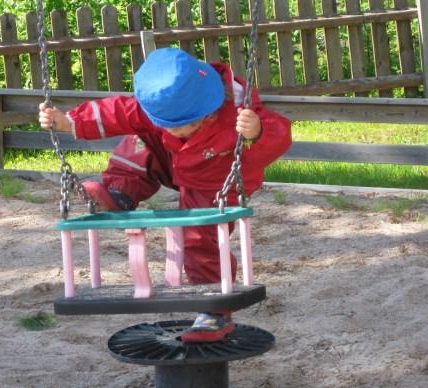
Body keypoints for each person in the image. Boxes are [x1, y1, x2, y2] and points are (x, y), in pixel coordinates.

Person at [39, 48, 291, 342]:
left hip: (216, 183)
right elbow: (118, 111)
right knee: (140, 141)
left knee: (200, 238)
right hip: (176, 162)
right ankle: (118, 193)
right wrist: (70, 122)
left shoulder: (238, 112)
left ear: (205, 116)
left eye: (176, 127)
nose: (168, 129)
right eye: (163, 123)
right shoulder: (165, 107)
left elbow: (280, 135)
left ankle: (213, 310)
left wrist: (258, 132)